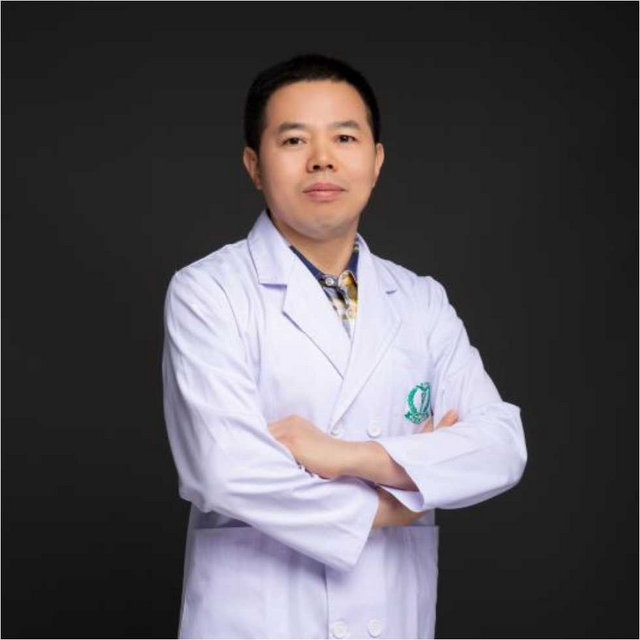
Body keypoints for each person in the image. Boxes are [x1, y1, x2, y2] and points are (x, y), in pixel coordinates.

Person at [161, 53, 527, 639]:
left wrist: (348, 457)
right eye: (294, 140)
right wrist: (403, 498)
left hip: (392, 616)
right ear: (254, 165)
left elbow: (501, 446)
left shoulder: (420, 299)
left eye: (345, 137)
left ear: (376, 161)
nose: (322, 158)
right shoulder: (209, 291)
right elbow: (224, 470)